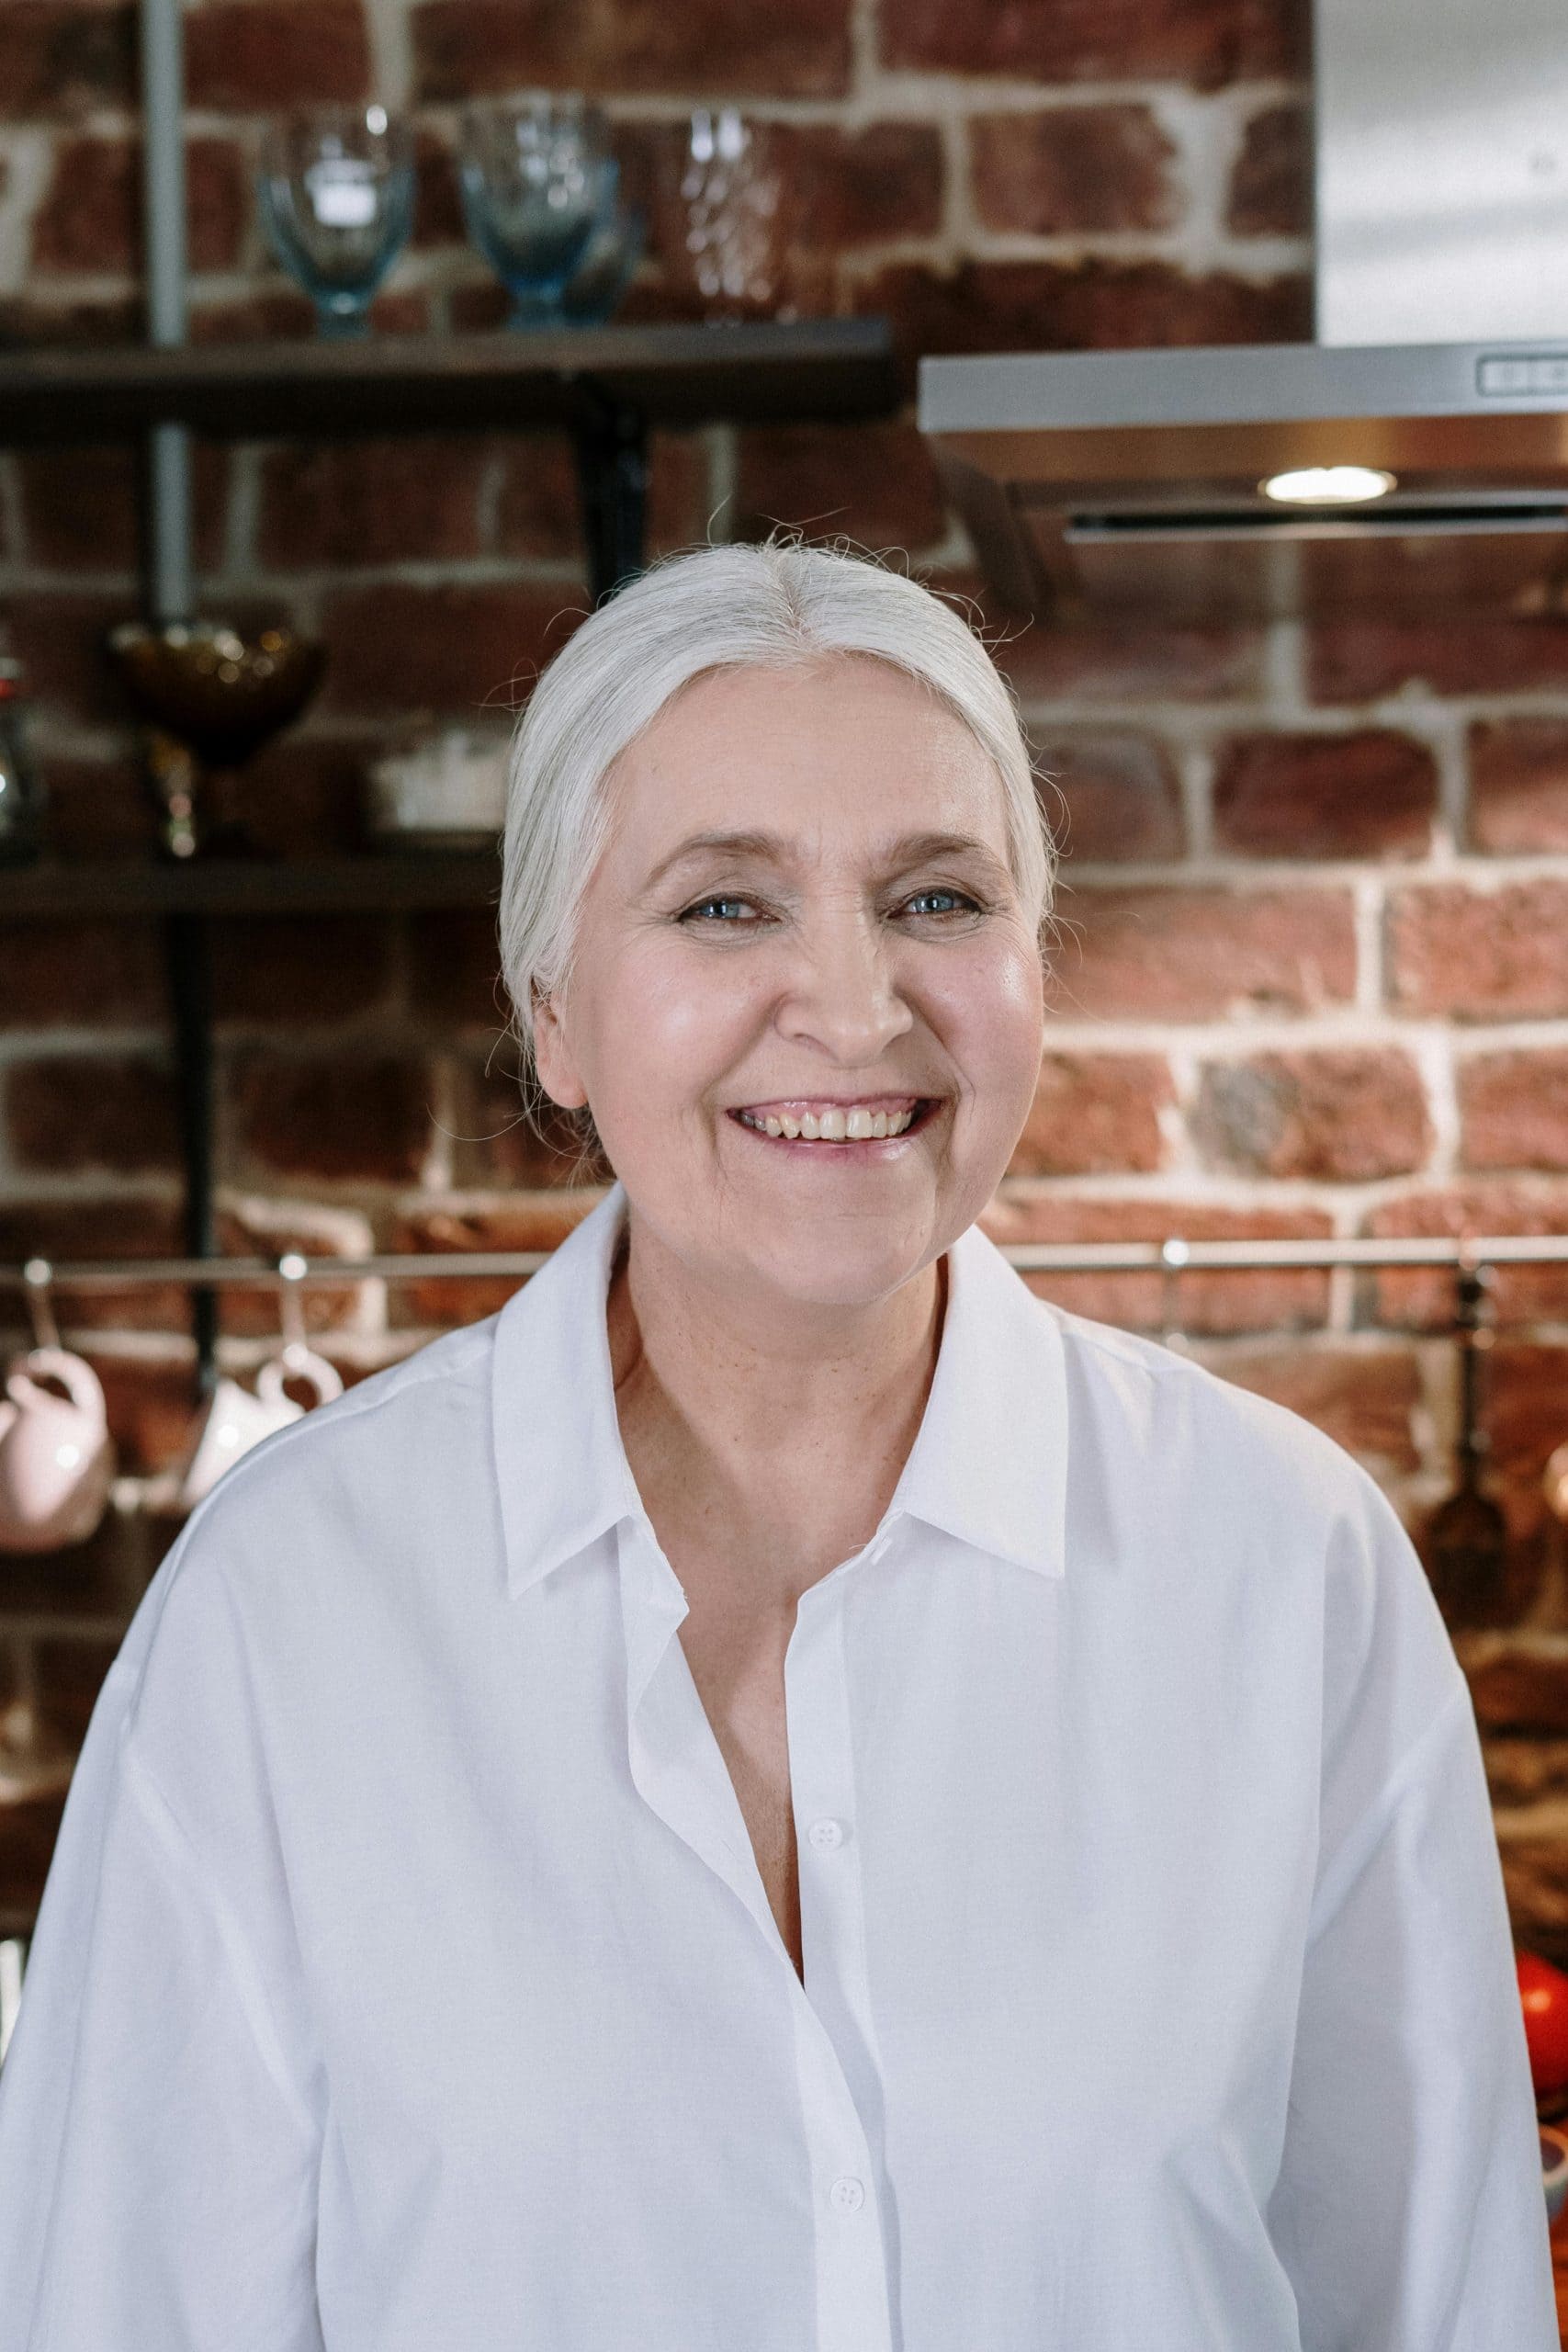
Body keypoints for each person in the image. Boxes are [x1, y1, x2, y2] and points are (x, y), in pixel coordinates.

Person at [0, 540, 1554, 2349]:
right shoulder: (284, 1613)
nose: (850, 1000)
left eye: (935, 896)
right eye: (724, 904)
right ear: (553, 1011)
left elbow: (1432, 2304)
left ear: (1027, 970)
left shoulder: (1284, 1568)